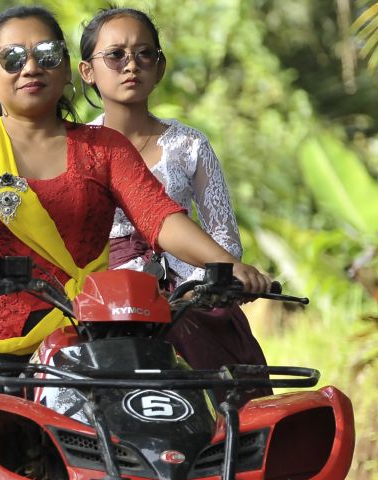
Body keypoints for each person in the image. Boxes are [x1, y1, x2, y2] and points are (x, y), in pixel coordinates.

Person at [0, 5, 271, 386]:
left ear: (66, 67)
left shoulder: (104, 146)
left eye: (47, 55)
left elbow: (159, 216)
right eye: (13, 58)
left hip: (96, 329)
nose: (31, 67)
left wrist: (225, 264)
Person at [78, 7, 268, 389]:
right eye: (116, 55)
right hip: (102, 296)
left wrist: (195, 290)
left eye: (144, 54)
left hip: (190, 293)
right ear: (87, 71)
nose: (131, 65)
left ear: (160, 67)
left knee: (227, 385)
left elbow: (224, 237)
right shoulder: (76, 148)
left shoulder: (188, 144)